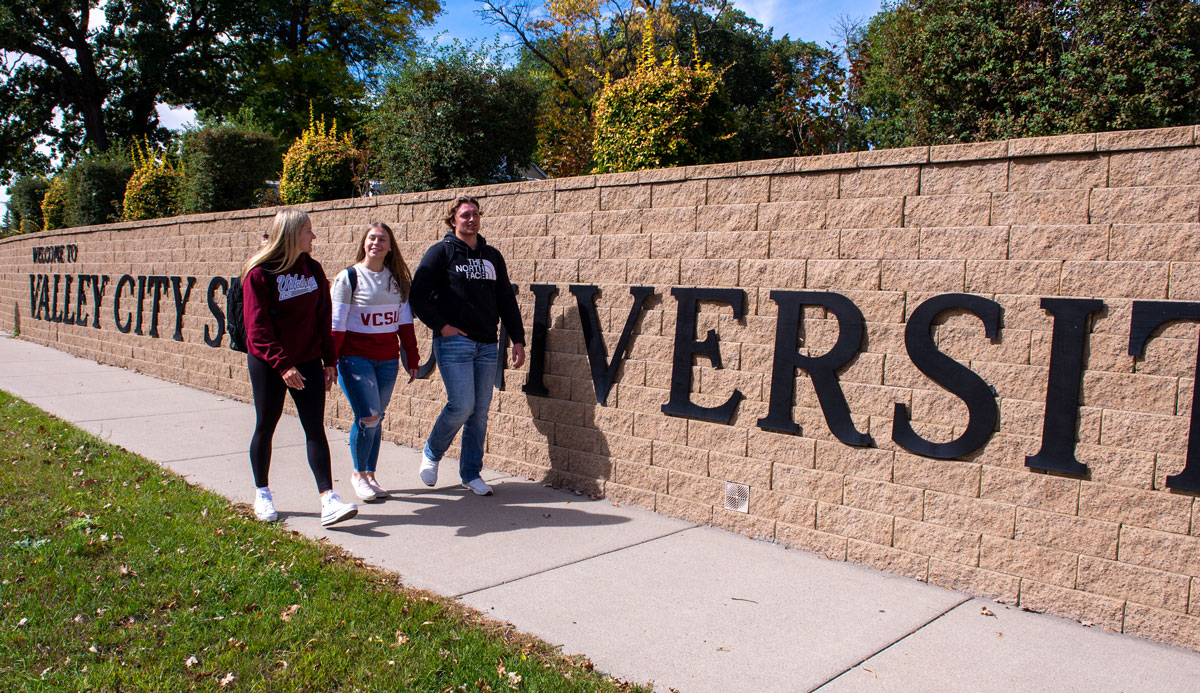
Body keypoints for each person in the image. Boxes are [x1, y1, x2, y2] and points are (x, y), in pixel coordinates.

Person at [242, 208, 357, 526]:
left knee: (314, 428)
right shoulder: (260, 273)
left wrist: (329, 359)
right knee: (266, 424)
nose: (314, 236)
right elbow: (257, 328)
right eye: (309, 230)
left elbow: (323, 316)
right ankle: (262, 492)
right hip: (269, 363)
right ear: (292, 233)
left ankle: (328, 499)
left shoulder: (312, 269)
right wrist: (283, 365)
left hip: (306, 359)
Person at [410, 196, 526, 495]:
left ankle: (471, 473)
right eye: (465, 215)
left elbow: (505, 300)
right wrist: (443, 327)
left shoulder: (492, 256)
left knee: (480, 412)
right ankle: (432, 452)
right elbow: (418, 296)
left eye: (475, 214)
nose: (471, 219)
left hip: (488, 344)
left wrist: (518, 339)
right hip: (454, 344)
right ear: (453, 220)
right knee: (462, 404)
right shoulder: (441, 253)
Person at [331, 222, 420, 501]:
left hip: (387, 361)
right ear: (364, 243)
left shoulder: (397, 281)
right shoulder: (349, 278)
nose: (376, 243)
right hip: (354, 359)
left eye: (382, 239)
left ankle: (370, 474)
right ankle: (358, 475)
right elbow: (336, 325)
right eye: (372, 238)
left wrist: (412, 357)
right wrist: (330, 361)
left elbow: (405, 325)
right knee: (367, 416)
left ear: (390, 246)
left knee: (376, 418)